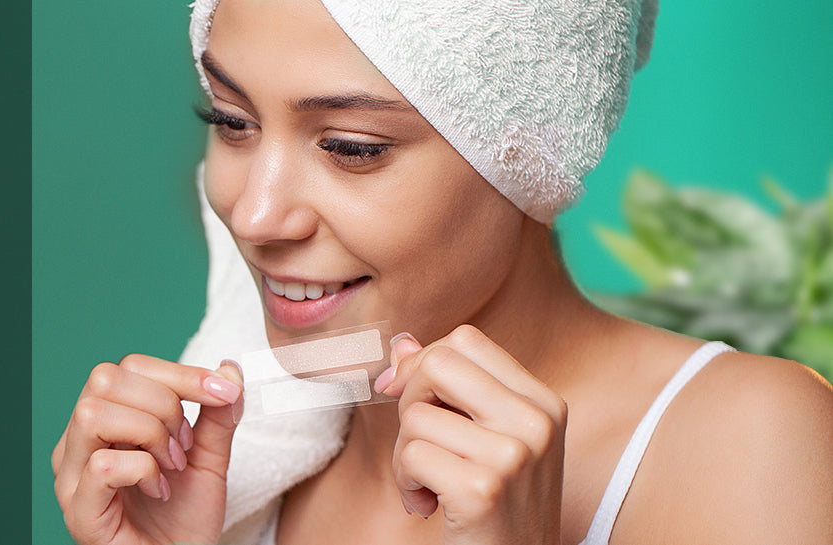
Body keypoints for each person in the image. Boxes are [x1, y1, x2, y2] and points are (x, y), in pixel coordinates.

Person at [51, 0, 833, 543]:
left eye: (352, 146)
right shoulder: (242, 460)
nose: (255, 216)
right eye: (232, 121)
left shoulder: (750, 444)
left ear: (528, 149)